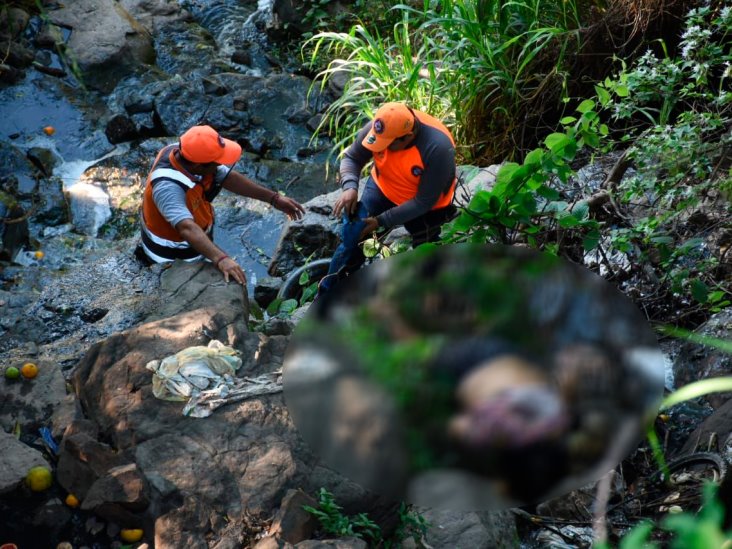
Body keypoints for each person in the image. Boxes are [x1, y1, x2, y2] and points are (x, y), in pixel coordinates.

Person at [139, 125, 305, 284]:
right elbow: (187, 228)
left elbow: (227, 178)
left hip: (195, 238)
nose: (220, 165)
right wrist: (221, 259)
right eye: (217, 162)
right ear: (198, 166)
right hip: (173, 255)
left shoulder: (186, 152)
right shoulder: (167, 188)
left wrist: (273, 199)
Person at [321, 102, 457, 293]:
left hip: (427, 207)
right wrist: (350, 186)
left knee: (426, 254)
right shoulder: (382, 126)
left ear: (408, 136)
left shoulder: (438, 147)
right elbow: (352, 158)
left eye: (388, 144)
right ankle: (328, 293)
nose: (381, 147)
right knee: (354, 239)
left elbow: (424, 202)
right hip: (383, 187)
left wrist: (381, 221)